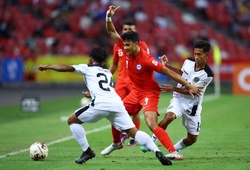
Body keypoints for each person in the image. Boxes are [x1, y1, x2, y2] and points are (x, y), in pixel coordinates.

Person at [37, 47, 172, 166]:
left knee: (72, 121)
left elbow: (66, 68)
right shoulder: (107, 72)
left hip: (101, 104)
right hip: (117, 103)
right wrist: (91, 93)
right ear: (103, 62)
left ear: (90, 60)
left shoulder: (86, 68)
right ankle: (157, 151)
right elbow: (104, 88)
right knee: (133, 132)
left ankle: (87, 151)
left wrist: (48, 66)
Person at [101, 5, 202, 158]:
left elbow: (167, 71)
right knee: (116, 115)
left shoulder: (147, 60)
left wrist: (188, 85)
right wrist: (108, 17)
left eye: (128, 45)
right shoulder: (123, 47)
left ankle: (173, 152)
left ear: (136, 44)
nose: (125, 48)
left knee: (151, 123)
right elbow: (111, 32)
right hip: (135, 91)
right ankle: (116, 143)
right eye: (125, 45)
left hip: (149, 92)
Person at [141, 40, 214, 160]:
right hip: (178, 99)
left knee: (192, 139)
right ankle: (151, 142)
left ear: (206, 55)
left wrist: (173, 88)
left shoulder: (207, 75)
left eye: (199, 54)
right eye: (195, 53)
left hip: (192, 106)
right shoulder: (189, 61)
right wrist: (167, 66)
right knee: (168, 117)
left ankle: (175, 148)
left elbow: (194, 92)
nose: (196, 57)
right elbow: (181, 73)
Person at [109, 20, 149, 146]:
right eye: (125, 29)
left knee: (134, 111)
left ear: (135, 31)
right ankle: (119, 137)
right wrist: (106, 76)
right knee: (116, 109)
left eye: (130, 29)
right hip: (121, 82)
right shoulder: (117, 45)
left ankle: (134, 136)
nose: (127, 31)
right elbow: (115, 63)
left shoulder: (141, 45)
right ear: (122, 31)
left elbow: (146, 63)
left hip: (134, 82)